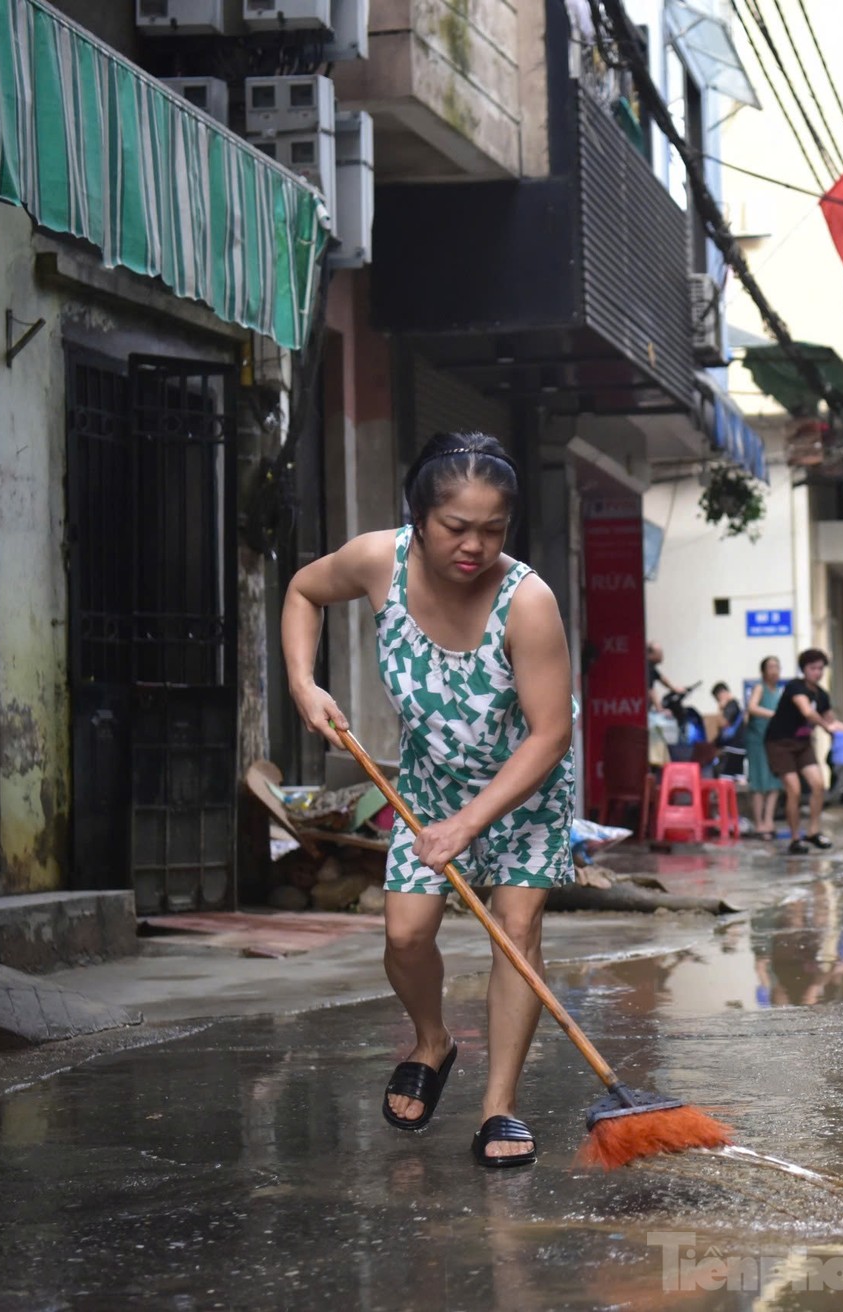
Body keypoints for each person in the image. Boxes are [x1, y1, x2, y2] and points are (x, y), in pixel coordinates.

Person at [281, 432, 575, 1167]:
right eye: (456, 528)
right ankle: (432, 1041)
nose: (474, 546)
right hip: (430, 779)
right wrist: (302, 681)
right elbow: (303, 591)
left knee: (515, 932)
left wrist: (470, 824)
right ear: (418, 518)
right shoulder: (379, 560)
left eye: (492, 529)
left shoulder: (527, 602)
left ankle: (499, 1106)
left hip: (522, 790)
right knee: (406, 934)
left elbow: (549, 736)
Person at [765, 648, 843, 855]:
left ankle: (813, 831)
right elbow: (807, 712)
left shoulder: (822, 695)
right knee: (794, 789)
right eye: (813, 668)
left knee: (818, 785)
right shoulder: (795, 687)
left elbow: (831, 721)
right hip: (780, 743)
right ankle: (795, 838)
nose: (817, 672)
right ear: (804, 669)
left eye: (820, 668)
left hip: (803, 744)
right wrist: (826, 727)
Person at [743, 656, 786, 838]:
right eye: (770, 667)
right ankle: (759, 823)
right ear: (763, 671)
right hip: (758, 740)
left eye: (777, 666)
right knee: (759, 782)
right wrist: (774, 715)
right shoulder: (759, 688)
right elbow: (752, 708)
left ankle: (769, 821)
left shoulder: (779, 691)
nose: (774, 670)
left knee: (775, 782)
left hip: (773, 740)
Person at [711, 681, 747, 779]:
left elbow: (722, 723)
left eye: (717, 698)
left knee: (725, 777)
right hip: (739, 746)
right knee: (738, 776)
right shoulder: (736, 704)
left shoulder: (731, 705)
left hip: (732, 747)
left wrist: (720, 709)